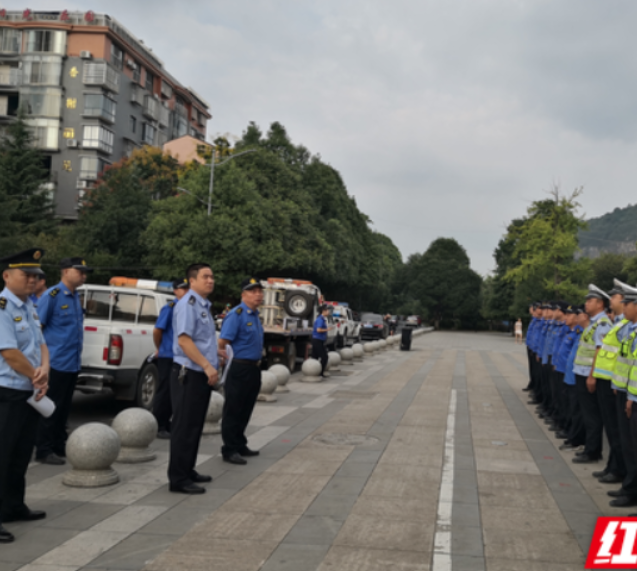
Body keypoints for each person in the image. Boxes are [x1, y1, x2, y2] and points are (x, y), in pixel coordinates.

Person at [0, 248, 50, 543]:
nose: (33, 279)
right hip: (7, 392)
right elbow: (9, 353)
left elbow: (41, 343)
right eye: (26, 274)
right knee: (2, 454)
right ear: (7, 276)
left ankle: (13, 506)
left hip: (29, 391)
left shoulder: (30, 306)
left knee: (21, 453)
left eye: (35, 275)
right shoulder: (3, 307)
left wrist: (44, 370)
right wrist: (35, 375)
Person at [34, 257, 91, 465]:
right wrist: (41, 363)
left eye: (85, 272)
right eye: (80, 271)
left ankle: (59, 445)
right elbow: (37, 329)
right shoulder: (52, 296)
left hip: (72, 362)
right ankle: (44, 449)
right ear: (66, 271)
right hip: (55, 363)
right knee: (50, 407)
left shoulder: (75, 296)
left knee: (64, 408)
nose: (84, 275)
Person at [168, 263, 218, 494]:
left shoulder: (203, 305)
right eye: (205, 277)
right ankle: (178, 478)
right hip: (189, 373)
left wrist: (217, 354)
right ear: (192, 281)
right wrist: (207, 365)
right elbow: (184, 341)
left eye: (212, 277)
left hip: (200, 373)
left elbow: (201, 340)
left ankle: (188, 469)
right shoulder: (187, 305)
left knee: (194, 425)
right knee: (184, 426)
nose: (211, 280)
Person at [218, 278, 264, 465]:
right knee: (234, 409)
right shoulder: (236, 314)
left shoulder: (254, 315)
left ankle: (239, 443)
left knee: (246, 408)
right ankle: (229, 449)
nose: (258, 295)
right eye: (252, 291)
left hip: (253, 368)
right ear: (243, 295)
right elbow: (223, 343)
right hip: (238, 367)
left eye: (260, 291)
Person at [572, 285, 613, 465]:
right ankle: (591, 448)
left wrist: (592, 376)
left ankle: (593, 451)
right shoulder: (593, 322)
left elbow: (599, 350)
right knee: (588, 414)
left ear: (600, 303)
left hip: (589, 375)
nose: (586, 304)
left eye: (590, 301)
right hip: (582, 373)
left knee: (592, 416)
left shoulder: (602, 323)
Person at [152, 278, 189, 440]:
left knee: (175, 392)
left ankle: (167, 423)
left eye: (188, 289)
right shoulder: (170, 308)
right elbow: (157, 330)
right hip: (168, 355)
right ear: (175, 291)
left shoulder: (187, 309)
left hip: (181, 358)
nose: (186, 292)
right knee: (165, 390)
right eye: (183, 289)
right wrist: (159, 348)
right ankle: (158, 424)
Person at [312, 305, 330, 377]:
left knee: (315, 357)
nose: (328, 312)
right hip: (317, 340)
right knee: (324, 357)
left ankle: (314, 372)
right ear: (324, 311)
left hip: (319, 340)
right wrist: (327, 330)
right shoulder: (320, 319)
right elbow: (318, 330)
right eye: (327, 310)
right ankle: (320, 373)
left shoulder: (322, 319)